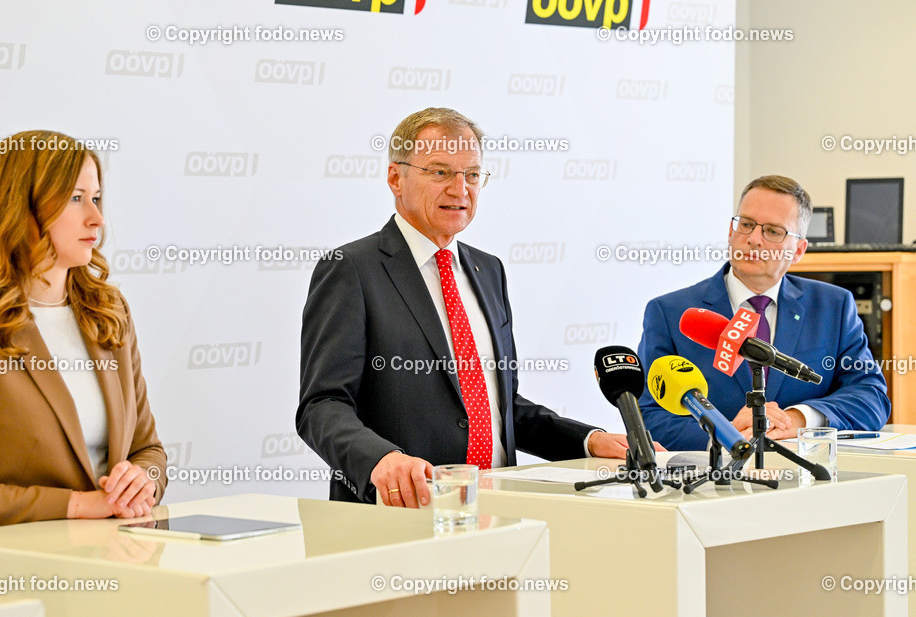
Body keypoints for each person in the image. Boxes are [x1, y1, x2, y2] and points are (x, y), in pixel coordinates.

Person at [297, 107, 639, 508]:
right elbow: (322, 405)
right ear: (396, 177)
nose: (460, 189)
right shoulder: (352, 270)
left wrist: (586, 440)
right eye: (440, 172)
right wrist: (380, 459)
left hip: (496, 510)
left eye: (472, 175)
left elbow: (500, 407)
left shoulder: (488, 270)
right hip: (399, 513)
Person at [0, 130, 167, 531]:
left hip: (121, 564)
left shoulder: (109, 313)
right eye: (75, 198)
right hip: (18, 576)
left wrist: (142, 481)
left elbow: (147, 449)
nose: (96, 218)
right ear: (19, 207)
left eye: (96, 198)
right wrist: (78, 506)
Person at [637, 175, 890, 451]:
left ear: (798, 251)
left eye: (772, 231)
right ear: (731, 232)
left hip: (807, 476)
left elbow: (871, 396)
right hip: (715, 480)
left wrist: (798, 419)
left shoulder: (834, 306)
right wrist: (724, 433)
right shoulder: (671, 313)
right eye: (746, 224)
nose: (754, 239)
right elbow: (648, 416)